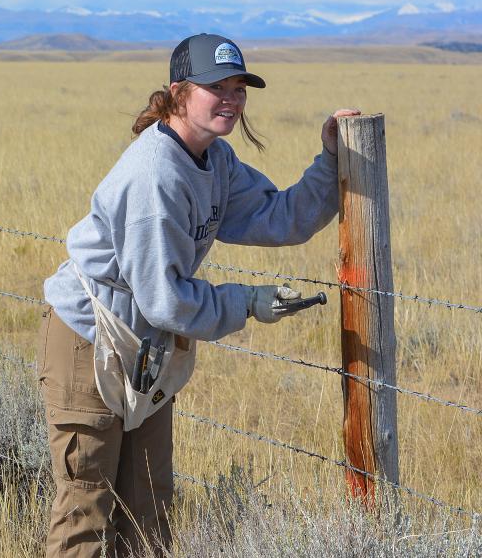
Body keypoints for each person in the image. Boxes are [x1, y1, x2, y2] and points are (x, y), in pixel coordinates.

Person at [38, 33, 360, 558]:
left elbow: (280, 217)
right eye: (217, 87)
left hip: (146, 344)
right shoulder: (154, 176)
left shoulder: (216, 160)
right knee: (86, 510)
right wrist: (246, 302)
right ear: (179, 91)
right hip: (89, 337)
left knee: (150, 507)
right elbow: (164, 300)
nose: (231, 99)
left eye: (239, 87)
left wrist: (330, 159)